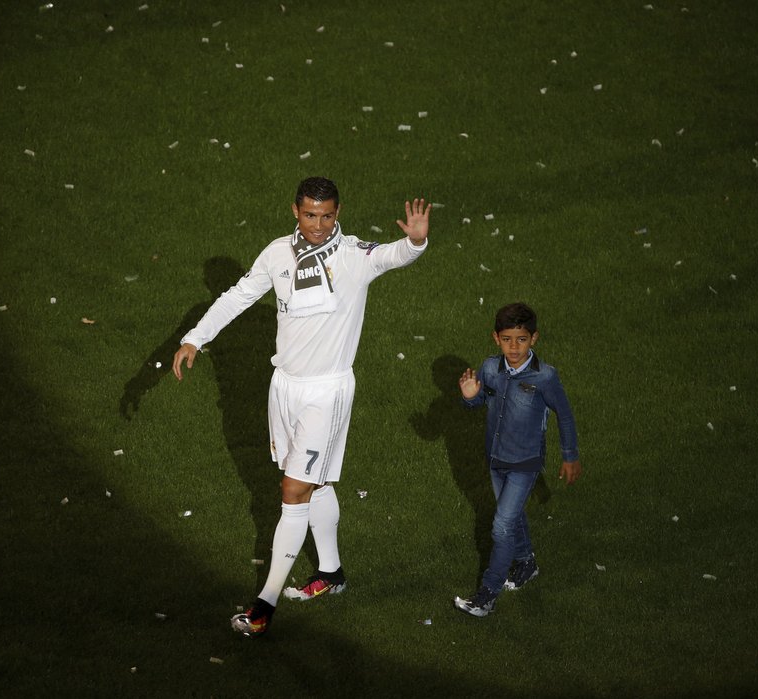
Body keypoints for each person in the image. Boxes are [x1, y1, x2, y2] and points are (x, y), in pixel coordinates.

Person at [172, 176, 431, 637]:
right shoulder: (276, 254)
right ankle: (330, 573)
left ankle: (264, 604)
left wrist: (415, 241)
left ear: (338, 212)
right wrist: (196, 337)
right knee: (317, 482)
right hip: (284, 389)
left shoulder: (354, 256)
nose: (317, 224)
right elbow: (239, 296)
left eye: (326, 215)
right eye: (310, 215)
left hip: (326, 394)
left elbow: (394, 255)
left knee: (293, 491)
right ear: (295, 211)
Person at [453, 302, 581, 617]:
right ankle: (526, 563)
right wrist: (470, 397)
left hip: (525, 463)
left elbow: (564, 416)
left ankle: (487, 595)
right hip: (496, 459)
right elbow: (479, 401)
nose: (514, 347)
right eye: (507, 339)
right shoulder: (489, 368)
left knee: (502, 525)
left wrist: (570, 456)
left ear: (533, 339)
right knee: (512, 517)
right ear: (496, 338)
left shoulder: (546, 377)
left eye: (521, 339)